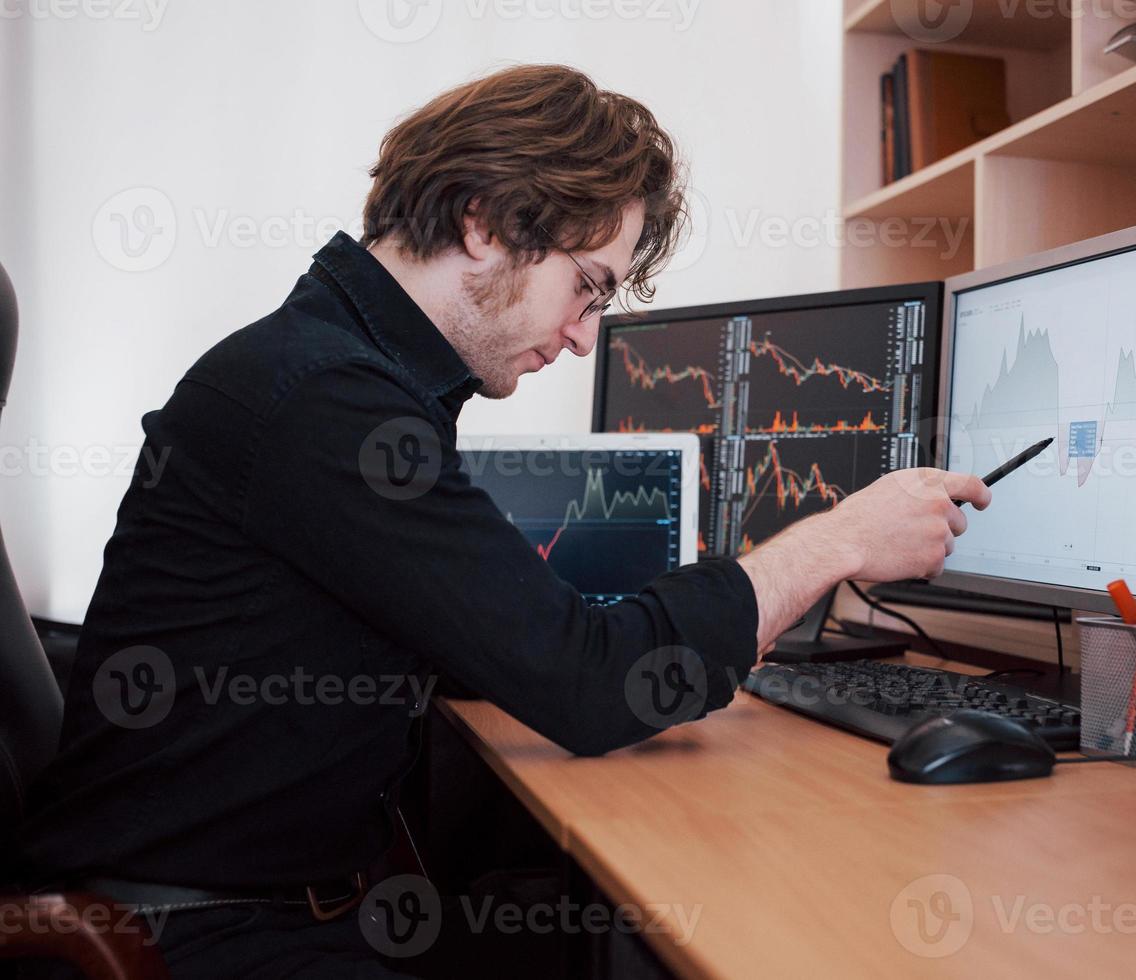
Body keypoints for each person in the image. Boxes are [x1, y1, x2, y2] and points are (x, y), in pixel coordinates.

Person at [15, 65, 989, 978]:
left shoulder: (349, 375)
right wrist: (837, 541)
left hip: (269, 898)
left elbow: (519, 643)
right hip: (202, 935)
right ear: (483, 225)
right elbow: (590, 682)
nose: (580, 336)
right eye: (587, 286)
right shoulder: (328, 399)